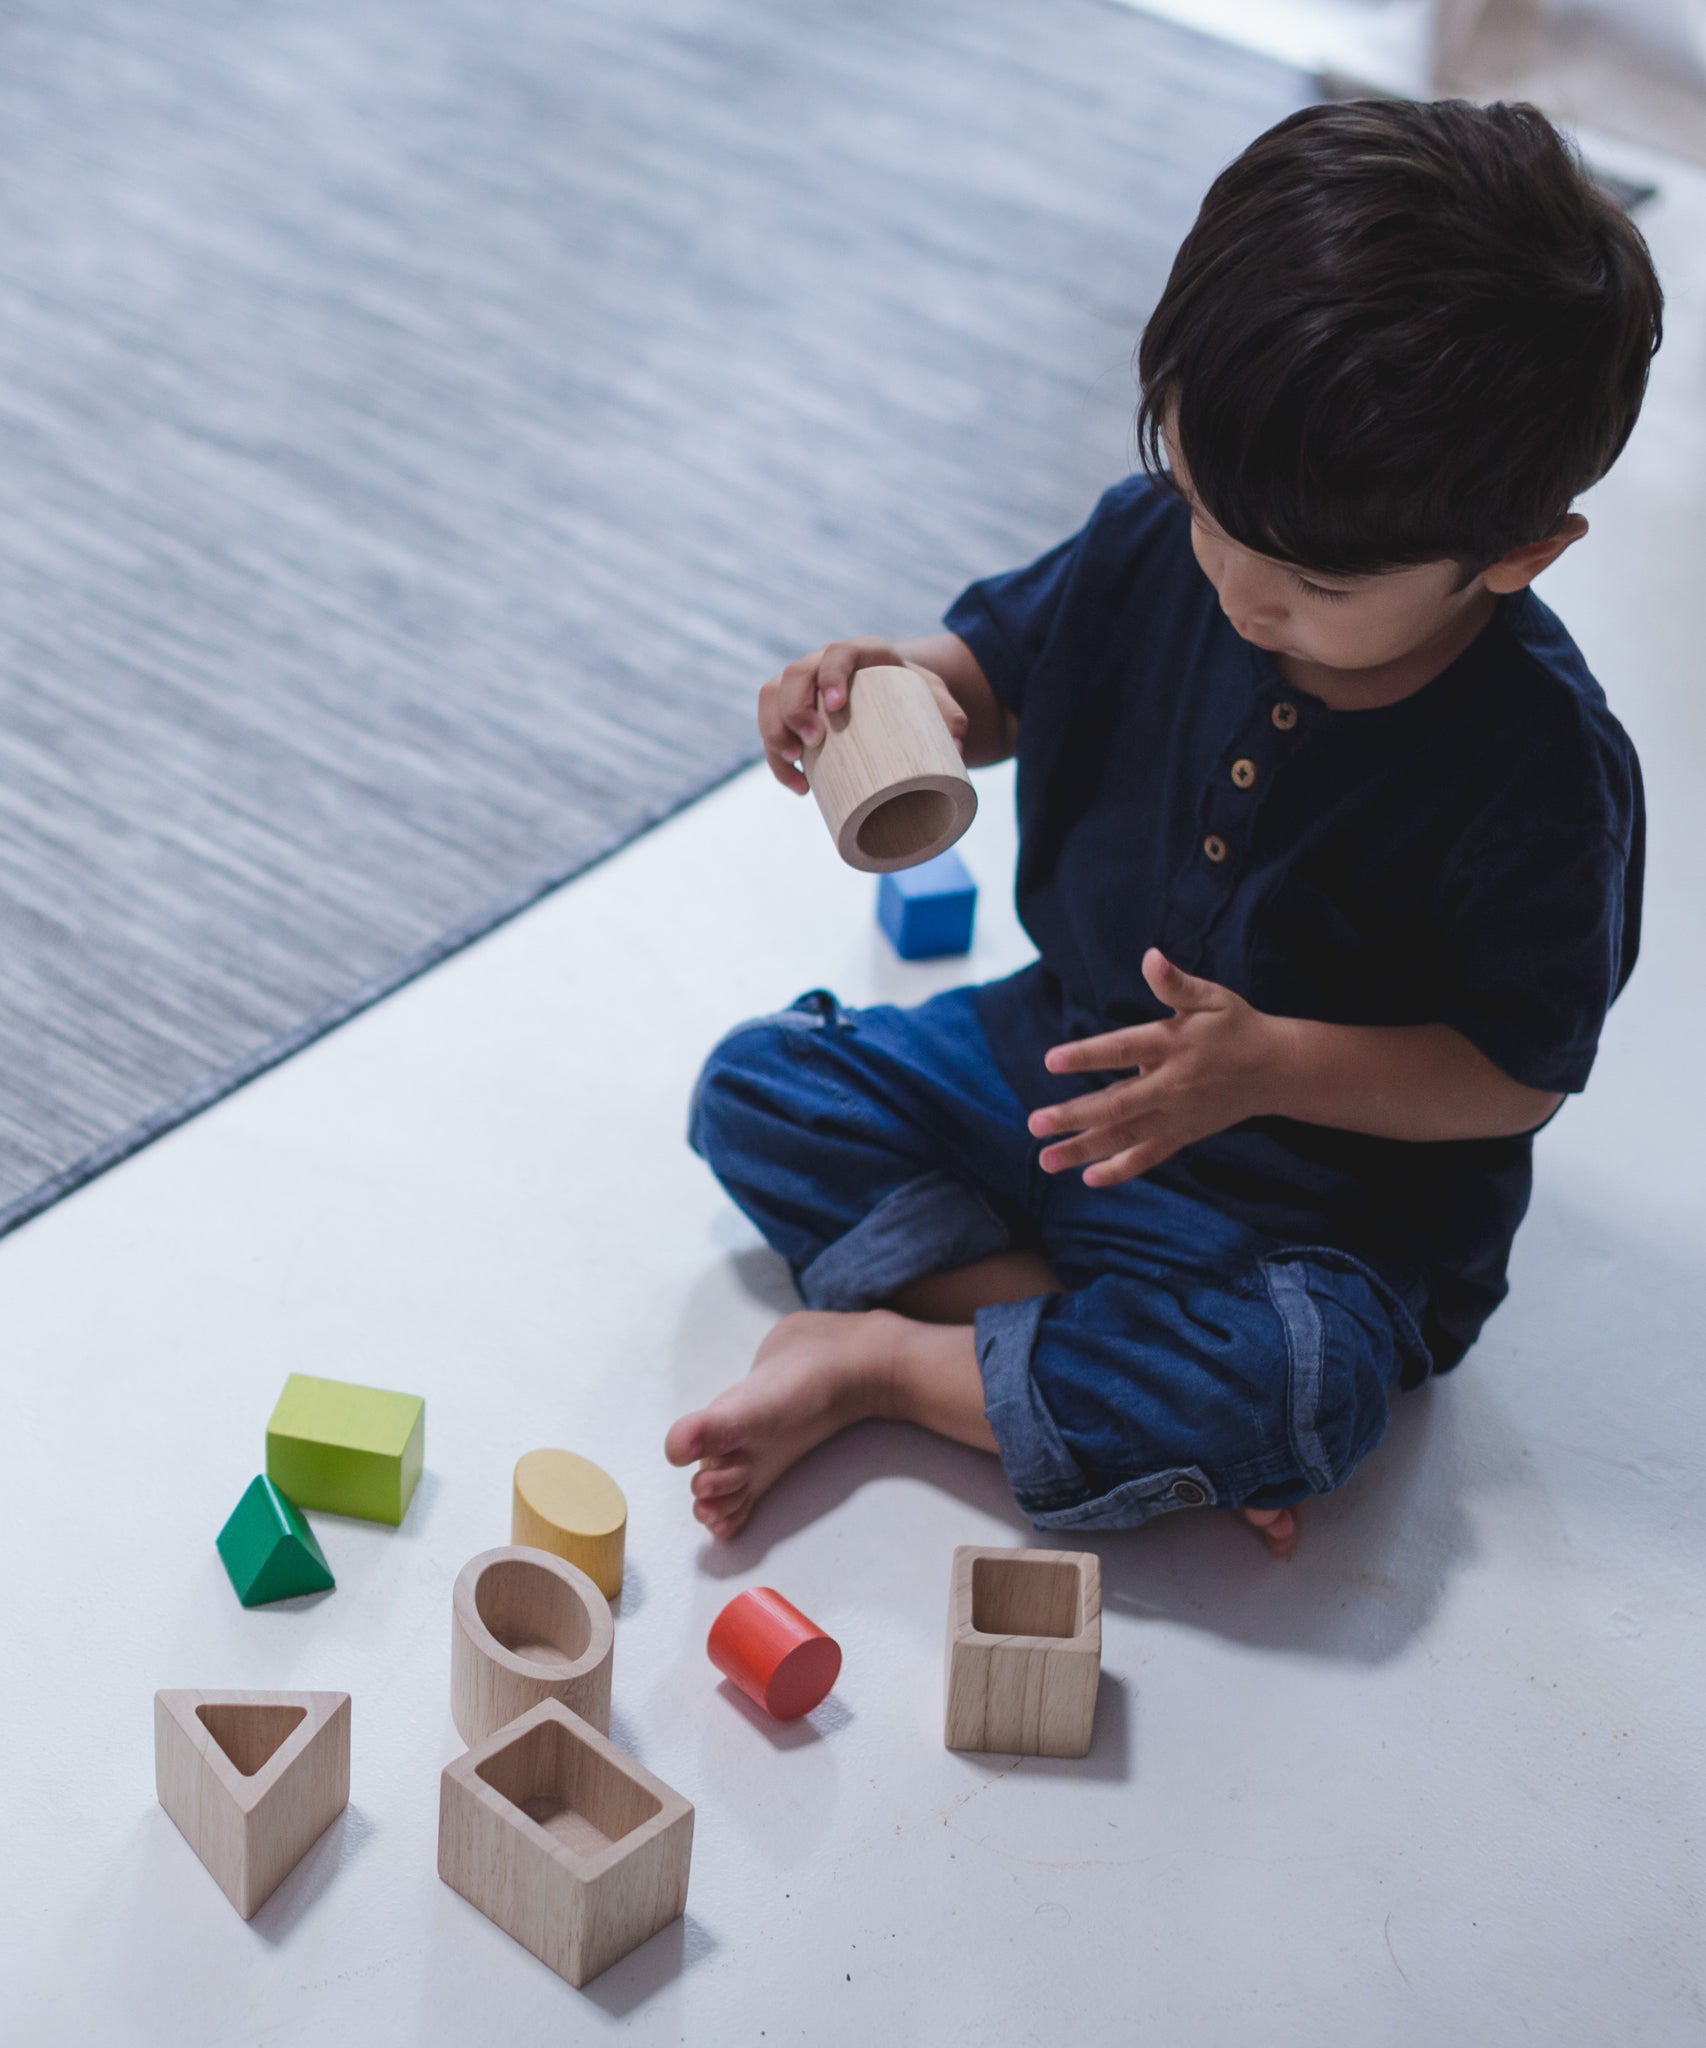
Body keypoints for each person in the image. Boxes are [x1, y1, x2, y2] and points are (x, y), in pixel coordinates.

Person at [665, 97, 1661, 1557]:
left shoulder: (1536, 771)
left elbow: (1511, 1076)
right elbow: (994, 676)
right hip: (1057, 1059)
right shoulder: (1155, 547)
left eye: (1315, 587)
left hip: (1308, 1212)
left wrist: (1262, 1069)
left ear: (1512, 553)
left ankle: (895, 1359)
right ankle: (1068, 1358)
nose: (1240, 596)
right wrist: (882, 694)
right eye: (1205, 511)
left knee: (1307, 1391)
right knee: (758, 1091)